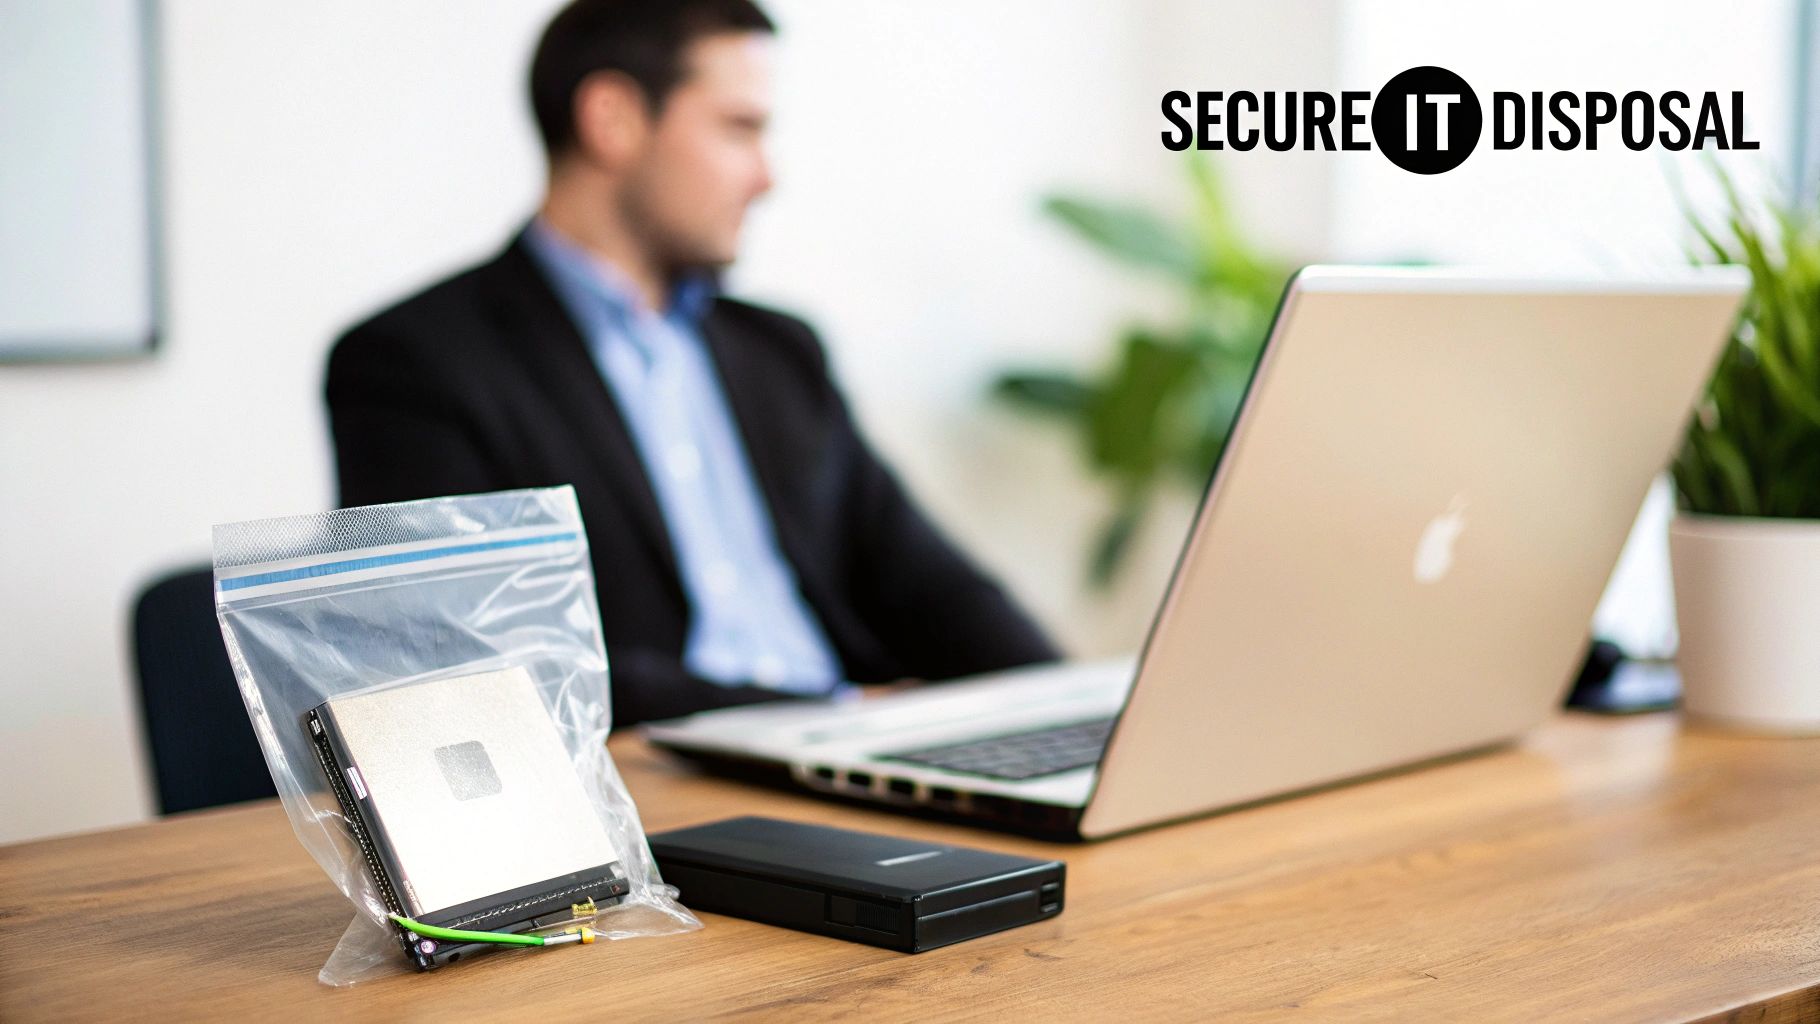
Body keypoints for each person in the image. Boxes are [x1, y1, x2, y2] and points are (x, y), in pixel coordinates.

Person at [325, 0, 1058, 727]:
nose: (766, 176)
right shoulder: (415, 364)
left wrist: (1082, 712)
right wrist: (835, 716)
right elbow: (480, 668)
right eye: (740, 128)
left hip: (855, 756)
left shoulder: (779, 352)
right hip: (659, 787)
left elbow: (934, 588)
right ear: (612, 119)